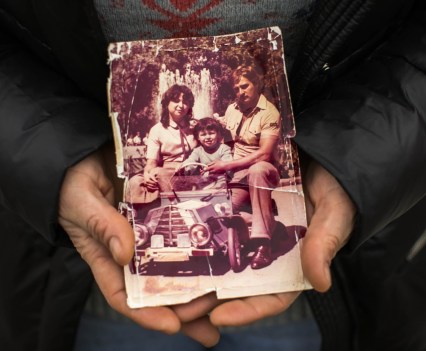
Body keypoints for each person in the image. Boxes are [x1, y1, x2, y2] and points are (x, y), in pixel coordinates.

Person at [1, 2, 426, 351]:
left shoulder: (252, 118)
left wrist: (358, 162)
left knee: (258, 171)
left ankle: (260, 241)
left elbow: (247, 155)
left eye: (189, 106)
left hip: (334, 261)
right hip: (78, 263)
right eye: (179, 106)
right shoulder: (187, 127)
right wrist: (50, 160)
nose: (187, 112)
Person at [206, 65, 281, 270]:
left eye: (244, 86)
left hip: (263, 171)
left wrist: (227, 164)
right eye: (237, 89)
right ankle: (264, 221)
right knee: (221, 210)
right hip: (237, 174)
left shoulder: (270, 113)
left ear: (257, 84)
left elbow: (265, 153)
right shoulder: (233, 109)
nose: (240, 92)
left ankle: (263, 245)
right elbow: (227, 141)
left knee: (257, 170)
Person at [126, 84, 197, 202]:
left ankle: (176, 205)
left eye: (185, 102)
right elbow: (152, 161)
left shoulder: (196, 127)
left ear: (189, 106)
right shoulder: (157, 130)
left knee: (160, 174)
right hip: (166, 172)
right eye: (176, 101)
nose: (181, 105)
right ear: (167, 103)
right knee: (135, 182)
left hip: (191, 171)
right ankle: (143, 214)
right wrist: (147, 173)